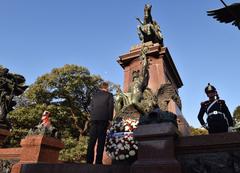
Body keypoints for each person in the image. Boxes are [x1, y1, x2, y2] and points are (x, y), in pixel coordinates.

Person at [86, 82, 114, 164]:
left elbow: (91, 107)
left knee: (92, 140)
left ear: (100, 87)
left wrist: (92, 117)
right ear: (107, 87)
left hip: (94, 119)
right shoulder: (109, 95)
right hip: (103, 119)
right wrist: (110, 119)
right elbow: (110, 107)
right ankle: (98, 161)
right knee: (101, 141)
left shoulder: (94, 95)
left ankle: (89, 161)